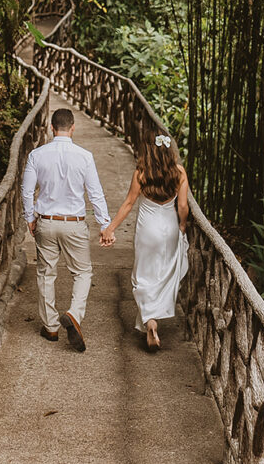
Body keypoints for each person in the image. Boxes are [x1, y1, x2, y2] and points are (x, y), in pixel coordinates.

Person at [21, 107, 111, 351]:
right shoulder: (84, 156)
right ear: (73, 128)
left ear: (51, 128)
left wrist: (30, 217)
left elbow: (27, 190)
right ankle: (73, 314)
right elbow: (95, 193)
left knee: (46, 273)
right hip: (74, 225)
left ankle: (51, 326)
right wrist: (105, 225)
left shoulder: (37, 155)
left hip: (46, 222)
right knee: (82, 273)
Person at [101, 132, 190, 352]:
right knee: (165, 272)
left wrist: (109, 229)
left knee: (143, 275)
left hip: (147, 229)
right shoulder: (179, 173)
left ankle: (150, 322)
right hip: (168, 227)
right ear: (169, 151)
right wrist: (182, 225)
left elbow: (129, 203)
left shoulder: (141, 173)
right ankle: (154, 316)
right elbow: (182, 207)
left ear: (148, 151)